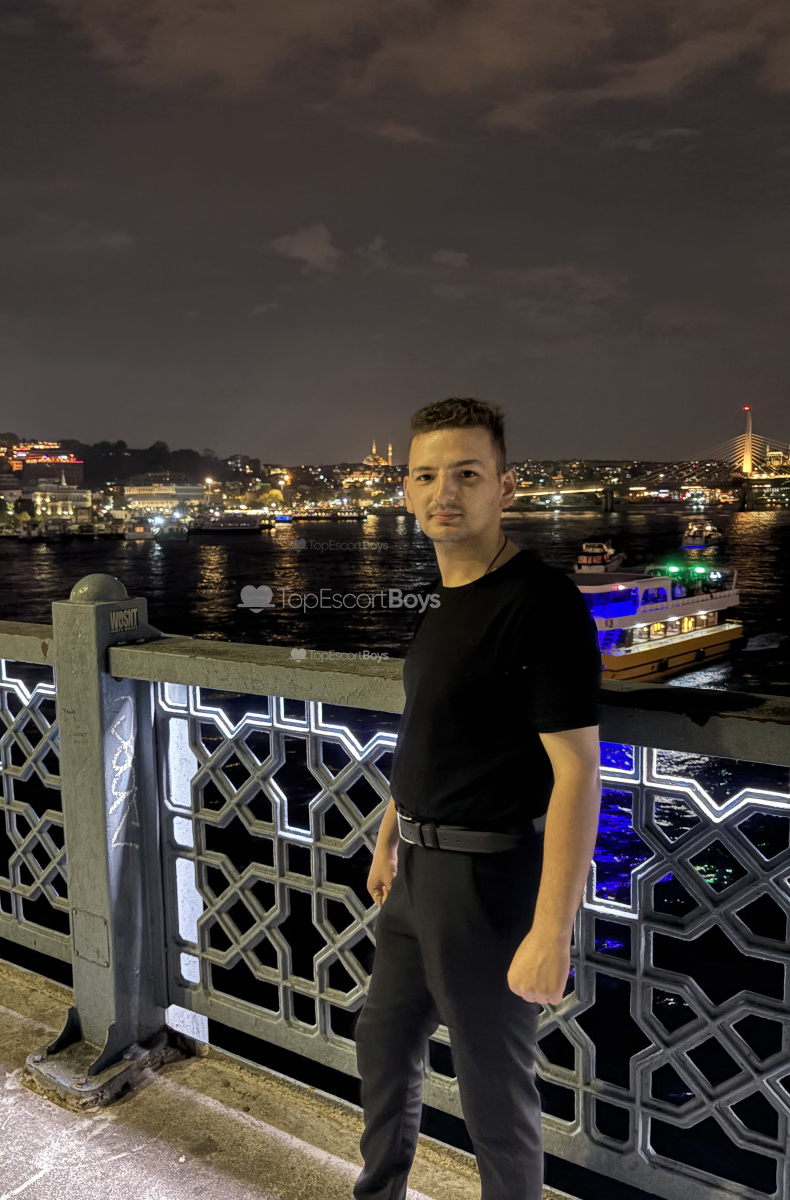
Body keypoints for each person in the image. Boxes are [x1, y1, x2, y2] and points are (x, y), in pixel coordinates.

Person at [354, 398, 602, 1200]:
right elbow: (427, 730)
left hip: (488, 881)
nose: (444, 493)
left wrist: (551, 932)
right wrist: (390, 833)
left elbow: (578, 771)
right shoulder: (441, 599)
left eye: (466, 474)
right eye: (426, 476)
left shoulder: (541, 604)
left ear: (505, 486)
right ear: (406, 489)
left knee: (495, 1096)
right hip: (416, 872)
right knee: (382, 1047)